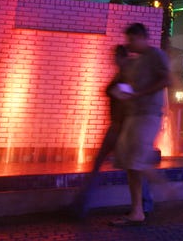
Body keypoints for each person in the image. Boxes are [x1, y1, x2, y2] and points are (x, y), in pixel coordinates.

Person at [72, 45, 154, 219]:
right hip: (116, 127)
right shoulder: (121, 73)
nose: (113, 60)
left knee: (133, 168)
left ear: (121, 57)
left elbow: (123, 95)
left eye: (115, 56)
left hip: (124, 129)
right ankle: (82, 203)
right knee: (126, 167)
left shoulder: (129, 74)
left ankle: (144, 203)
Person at [111, 23, 170, 226]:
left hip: (149, 115)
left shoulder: (156, 55)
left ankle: (168, 189)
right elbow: (131, 85)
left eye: (131, 39)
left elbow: (166, 80)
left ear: (141, 37)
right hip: (133, 115)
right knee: (129, 164)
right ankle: (137, 210)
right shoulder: (137, 62)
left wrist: (140, 93)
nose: (129, 44)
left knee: (136, 161)